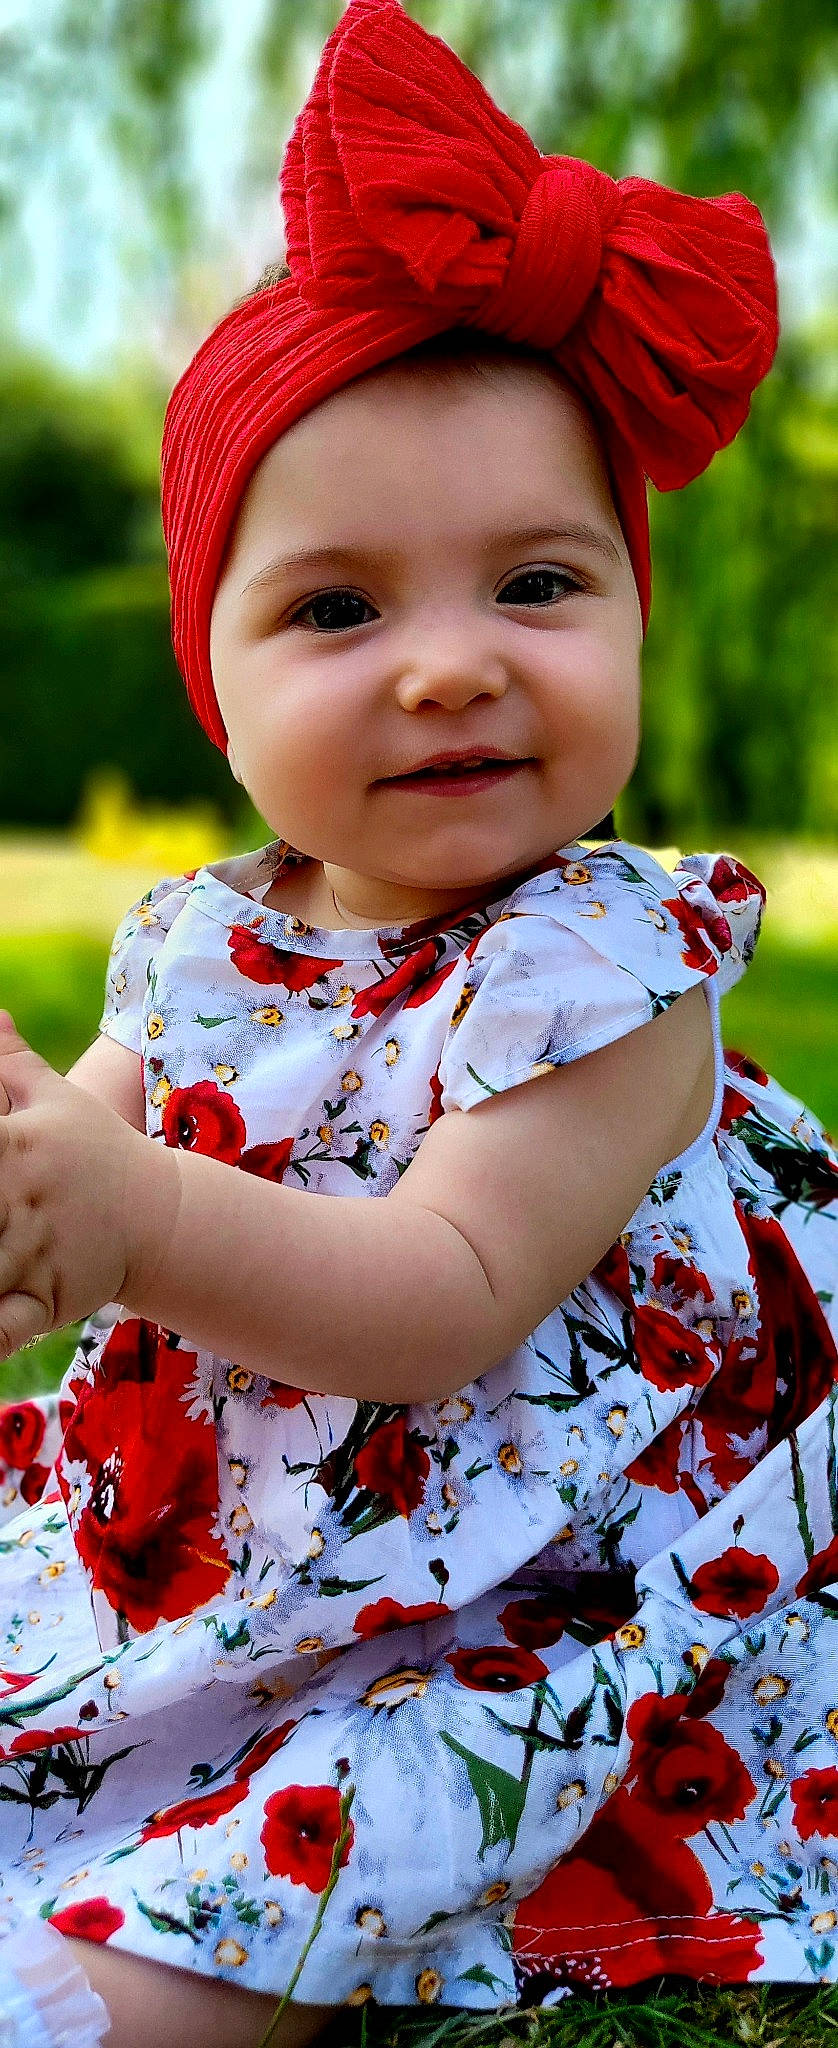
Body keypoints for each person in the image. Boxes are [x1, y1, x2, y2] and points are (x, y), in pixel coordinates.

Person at [0, 1, 837, 2041]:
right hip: (262, 1526)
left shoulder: (612, 968)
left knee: (330, 1833)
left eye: (535, 586)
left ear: (629, 617)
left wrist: (129, 1223)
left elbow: (440, 1292)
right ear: (214, 678)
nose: (447, 666)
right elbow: (78, 1200)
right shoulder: (205, 939)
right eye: (339, 609)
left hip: (527, 1579)